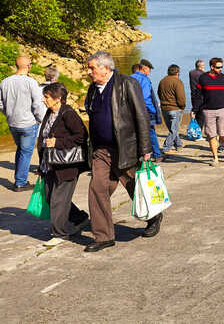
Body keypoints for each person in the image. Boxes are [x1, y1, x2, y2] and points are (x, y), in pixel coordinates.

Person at [84, 51, 160, 252]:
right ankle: (104, 236)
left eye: (92, 68)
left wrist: (146, 149)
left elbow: (142, 116)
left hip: (126, 147)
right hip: (101, 150)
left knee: (135, 188)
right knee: (97, 189)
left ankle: (154, 216)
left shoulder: (127, 83)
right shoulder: (93, 89)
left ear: (105, 67)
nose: (89, 72)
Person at [37, 82, 90, 245]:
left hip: (67, 166)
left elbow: (82, 135)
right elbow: (44, 138)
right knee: (49, 196)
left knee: (58, 200)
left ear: (58, 98)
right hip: (51, 164)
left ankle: (59, 234)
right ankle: (79, 218)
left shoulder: (68, 113)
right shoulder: (50, 112)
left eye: (46, 97)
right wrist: (41, 165)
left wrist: (58, 142)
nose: (43, 100)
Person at [0, 55, 46, 191]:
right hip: (28, 123)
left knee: (21, 150)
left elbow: (0, 103)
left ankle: (19, 178)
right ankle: (20, 182)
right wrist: (41, 120)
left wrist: (8, 113)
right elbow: (37, 105)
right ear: (28, 66)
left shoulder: (5, 82)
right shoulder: (31, 82)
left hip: (13, 123)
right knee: (26, 152)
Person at [195, 57, 224, 165]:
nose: (220, 69)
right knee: (211, 135)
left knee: (223, 134)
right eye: (218, 67)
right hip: (208, 111)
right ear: (212, 67)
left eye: (221, 67)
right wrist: (195, 109)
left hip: (222, 109)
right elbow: (198, 95)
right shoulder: (203, 78)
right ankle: (215, 158)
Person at [130, 59, 162, 160]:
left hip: (131, 110)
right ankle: (157, 154)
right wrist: (153, 109)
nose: (149, 72)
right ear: (145, 69)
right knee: (150, 132)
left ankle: (137, 155)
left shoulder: (129, 78)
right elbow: (145, 97)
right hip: (144, 111)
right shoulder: (144, 79)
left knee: (135, 132)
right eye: (149, 70)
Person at [158, 64, 186, 160]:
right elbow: (181, 97)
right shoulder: (178, 82)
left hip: (165, 109)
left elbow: (159, 93)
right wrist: (182, 106)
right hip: (175, 109)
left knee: (173, 129)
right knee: (173, 130)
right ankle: (166, 147)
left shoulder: (162, 81)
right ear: (178, 73)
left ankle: (178, 145)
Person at [189, 59, 206, 128]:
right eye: (203, 66)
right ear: (201, 66)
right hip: (201, 95)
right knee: (201, 115)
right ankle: (199, 130)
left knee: (195, 112)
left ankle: (196, 129)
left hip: (193, 94)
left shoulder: (191, 73)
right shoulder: (203, 74)